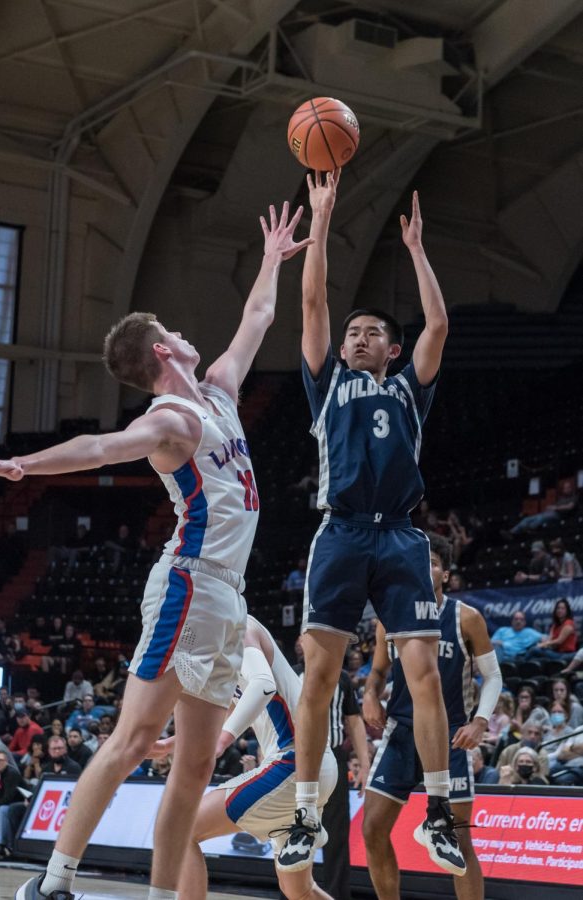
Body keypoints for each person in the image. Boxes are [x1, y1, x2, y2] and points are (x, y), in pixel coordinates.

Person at [0, 200, 312, 900]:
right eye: (172, 330)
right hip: (189, 587)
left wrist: (271, 259)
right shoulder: (170, 419)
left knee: (193, 769)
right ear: (162, 351)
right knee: (133, 740)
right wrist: (25, 464)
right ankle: (54, 882)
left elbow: (256, 319)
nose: (186, 332)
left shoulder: (219, 391)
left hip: (225, 597)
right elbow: (101, 447)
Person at [277, 170, 463, 879]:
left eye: (370, 333)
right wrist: (320, 220)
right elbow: (312, 296)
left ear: (391, 349)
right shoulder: (325, 380)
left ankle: (438, 814)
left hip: (400, 538)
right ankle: (302, 816)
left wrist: (415, 250)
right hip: (341, 532)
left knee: (423, 672)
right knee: (317, 676)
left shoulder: (409, 390)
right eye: (352, 332)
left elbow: (438, 325)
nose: (356, 337)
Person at [153, 616, 337, 900]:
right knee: (299, 891)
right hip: (308, 769)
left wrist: (223, 741)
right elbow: (232, 709)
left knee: (182, 828)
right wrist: (170, 744)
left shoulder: (239, 625)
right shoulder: (222, 643)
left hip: (294, 763)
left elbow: (264, 686)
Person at [362, 534, 502, 898]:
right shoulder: (389, 618)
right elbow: (377, 672)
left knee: (458, 841)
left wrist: (480, 720)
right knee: (372, 829)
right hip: (401, 732)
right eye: (418, 561)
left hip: (450, 735)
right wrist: (370, 695)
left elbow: (493, 675)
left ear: (445, 574)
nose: (425, 567)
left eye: (433, 562)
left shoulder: (466, 618)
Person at [293, 639, 371, 900]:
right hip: (295, 759)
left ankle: (337, 894)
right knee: (293, 833)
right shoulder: (291, 675)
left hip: (333, 758)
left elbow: (354, 722)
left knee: (336, 834)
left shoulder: (342, 679)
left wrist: (365, 763)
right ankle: (293, 892)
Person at [506, 478, 578, 536]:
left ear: (571, 488)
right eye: (565, 488)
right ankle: (512, 532)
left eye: (568, 487)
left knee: (541, 517)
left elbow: (570, 507)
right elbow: (555, 506)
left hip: (559, 515)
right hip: (551, 513)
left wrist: (556, 508)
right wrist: (551, 507)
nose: (567, 489)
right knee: (527, 519)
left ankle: (530, 528)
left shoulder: (574, 497)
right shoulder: (561, 498)